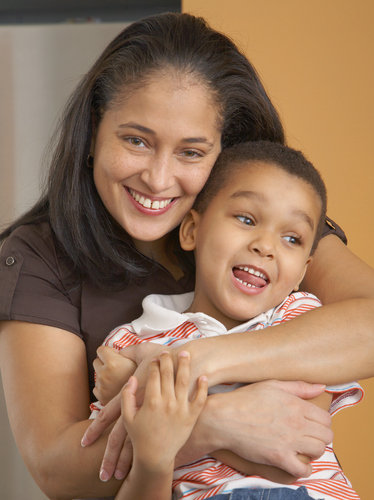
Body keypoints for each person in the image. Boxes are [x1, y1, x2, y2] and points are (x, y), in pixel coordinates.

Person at [0, 11, 373, 500]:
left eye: (192, 153)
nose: (157, 178)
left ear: (225, 153)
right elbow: (58, 470)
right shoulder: (36, 257)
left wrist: (192, 364)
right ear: (93, 132)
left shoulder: (266, 224)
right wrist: (210, 426)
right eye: (136, 140)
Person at [92, 142, 363, 500]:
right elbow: (131, 475)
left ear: (303, 270)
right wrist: (156, 450)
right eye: (247, 219)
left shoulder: (302, 321)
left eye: (292, 238)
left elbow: (292, 456)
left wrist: (160, 412)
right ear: (191, 230)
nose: (266, 246)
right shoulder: (130, 345)